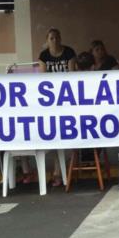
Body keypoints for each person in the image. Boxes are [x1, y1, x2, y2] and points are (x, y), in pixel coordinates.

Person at [37, 28, 75, 186]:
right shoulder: (44, 56)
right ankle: (57, 171)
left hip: (68, 97)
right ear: (47, 40)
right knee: (55, 136)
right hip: (51, 100)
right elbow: (43, 78)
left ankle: (66, 168)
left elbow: (72, 74)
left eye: (56, 37)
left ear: (60, 39)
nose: (54, 40)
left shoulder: (69, 52)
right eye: (51, 38)